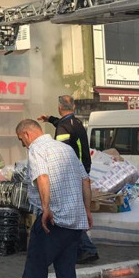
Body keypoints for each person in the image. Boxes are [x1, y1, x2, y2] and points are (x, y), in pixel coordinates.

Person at [0, 119, 92, 278]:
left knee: (34, 272)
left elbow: (42, 178)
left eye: (22, 141)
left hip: (53, 220)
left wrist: (47, 208)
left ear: (27, 135)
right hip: (74, 223)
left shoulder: (38, 149)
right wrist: (87, 211)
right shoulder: (66, 149)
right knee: (67, 277)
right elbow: (85, 179)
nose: (24, 145)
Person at [38, 94, 99, 265]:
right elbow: (63, 125)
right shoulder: (75, 123)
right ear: (73, 107)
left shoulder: (65, 127)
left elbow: (60, 151)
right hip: (82, 169)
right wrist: (49, 119)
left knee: (72, 211)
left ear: (59, 107)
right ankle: (81, 248)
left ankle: (87, 248)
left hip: (72, 173)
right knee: (76, 210)